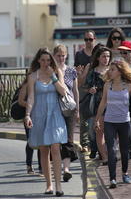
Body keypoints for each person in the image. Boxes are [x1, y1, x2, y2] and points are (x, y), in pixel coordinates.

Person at [94, 60, 131, 188]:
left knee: (124, 151)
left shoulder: (129, 86)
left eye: (112, 69)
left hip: (124, 122)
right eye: (110, 69)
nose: (110, 71)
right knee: (111, 150)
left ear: (120, 71)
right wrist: (97, 119)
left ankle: (125, 173)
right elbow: (103, 102)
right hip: (109, 122)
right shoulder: (108, 85)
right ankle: (112, 178)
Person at [25, 48, 67, 197]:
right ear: (38, 60)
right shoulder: (33, 77)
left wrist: (53, 77)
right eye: (43, 60)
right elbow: (30, 97)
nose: (45, 63)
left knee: (56, 148)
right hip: (39, 115)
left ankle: (59, 185)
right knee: (44, 150)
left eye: (48, 60)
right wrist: (28, 115)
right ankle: (49, 184)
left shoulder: (56, 73)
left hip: (55, 115)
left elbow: (63, 92)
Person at [53, 44, 79, 182]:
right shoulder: (50, 71)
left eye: (63, 55)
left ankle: (66, 169)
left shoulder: (71, 71)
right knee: (56, 140)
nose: (61, 58)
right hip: (54, 109)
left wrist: (78, 110)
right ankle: (54, 166)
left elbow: (75, 91)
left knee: (69, 139)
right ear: (54, 56)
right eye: (58, 55)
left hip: (69, 108)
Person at [85, 45, 112, 160]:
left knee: (111, 132)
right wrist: (90, 90)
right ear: (98, 58)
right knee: (99, 131)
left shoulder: (113, 70)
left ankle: (109, 153)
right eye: (103, 56)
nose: (106, 59)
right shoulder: (93, 72)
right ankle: (104, 156)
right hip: (98, 103)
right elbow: (85, 86)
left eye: (108, 56)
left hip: (112, 103)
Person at [74, 30, 96, 153]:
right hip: (83, 87)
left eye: (90, 39)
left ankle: (94, 144)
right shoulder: (79, 55)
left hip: (96, 87)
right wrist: (80, 72)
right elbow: (77, 71)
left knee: (95, 116)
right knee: (84, 118)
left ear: (94, 39)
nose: (88, 42)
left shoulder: (98, 53)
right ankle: (85, 144)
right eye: (86, 39)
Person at [18, 79, 42, 175]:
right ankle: (29, 165)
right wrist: (33, 105)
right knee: (31, 140)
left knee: (42, 141)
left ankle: (42, 167)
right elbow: (20, 101)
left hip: (41, 116)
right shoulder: (27, 83)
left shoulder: (45, 80)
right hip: (30, 116)